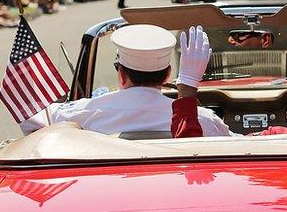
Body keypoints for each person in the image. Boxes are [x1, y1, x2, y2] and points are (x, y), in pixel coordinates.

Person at [20, 24, 231, 136]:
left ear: (121, 74)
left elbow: (29, 118)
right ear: (167, 75)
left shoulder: (81, 114)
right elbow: (236, 146)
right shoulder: (202, 120)